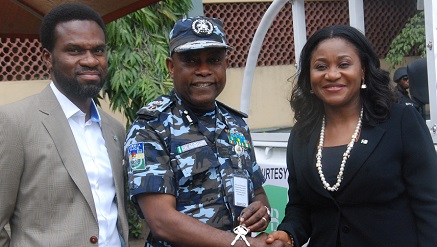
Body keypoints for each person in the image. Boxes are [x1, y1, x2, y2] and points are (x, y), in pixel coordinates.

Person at [265, 25, 437, 247]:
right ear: (309, 75)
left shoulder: (401, 119)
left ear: (363, 70)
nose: (332, 74)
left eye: (344, 64)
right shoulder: (302, 134)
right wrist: (288, 234)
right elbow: (301, 207)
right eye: (320, 66)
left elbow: (430, 204)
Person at [125, 16, 285, 247]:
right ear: (171, 67)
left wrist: (262, 212)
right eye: (191, 61)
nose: (204, 71)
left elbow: (258, 193)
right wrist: (243, 246)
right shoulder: (150, 127)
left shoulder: (235, 124)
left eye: (213, 61)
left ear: (225, 65)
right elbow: (161, 221)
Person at [0, 3, 129, 246]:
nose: (91, 61)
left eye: (98, 50)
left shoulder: (114, 129)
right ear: (47, 57)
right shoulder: (13, 122)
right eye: (75, 51)